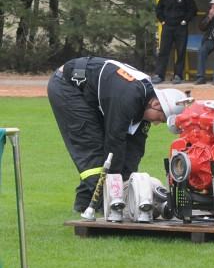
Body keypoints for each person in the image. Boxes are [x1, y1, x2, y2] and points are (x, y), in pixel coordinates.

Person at [47, 56, 188, 213]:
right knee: (92, 148)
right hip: (68, 87)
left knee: (119, 153)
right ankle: (107, 206)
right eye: (160, 119)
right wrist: (116, 191)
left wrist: (128, 180)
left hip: (90, 90)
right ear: (155, 104)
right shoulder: (128, 98)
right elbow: (114, 140)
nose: (156, 123)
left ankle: (84, 203)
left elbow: (135, 148)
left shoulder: (145, 101)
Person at [152, 0, 198, 84]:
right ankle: (159, 75)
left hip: (180, 27)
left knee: (180, 51)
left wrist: (185, 20)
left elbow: (193, 10)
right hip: (167, 26)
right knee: (163, 51)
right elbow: (159, 9)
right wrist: (162, 20)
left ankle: (178, 75)